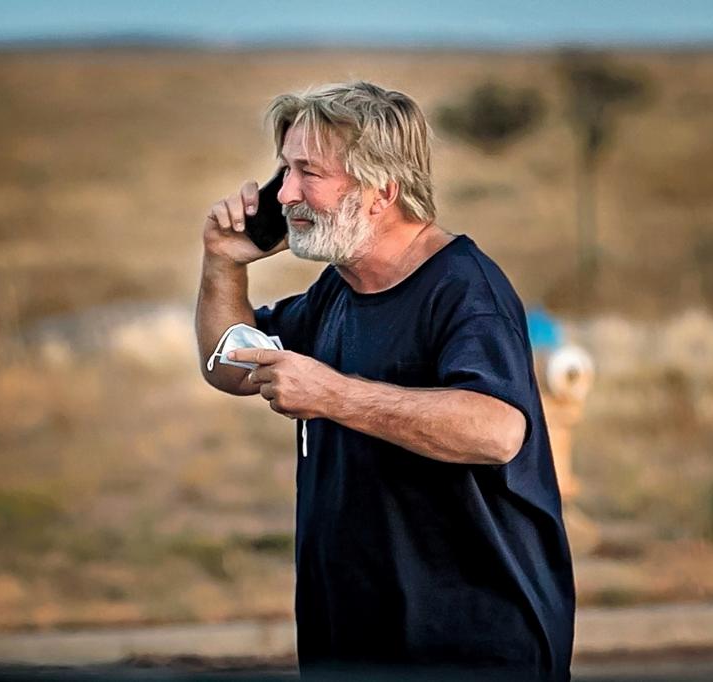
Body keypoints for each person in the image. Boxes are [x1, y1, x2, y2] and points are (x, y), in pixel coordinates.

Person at [194, 81, 575, 680]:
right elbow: (229, 364)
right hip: (350, 638)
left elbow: (497, 431)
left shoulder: (464, 289)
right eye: (283, 171)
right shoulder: (337, 291)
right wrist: (222, 262)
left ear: (381, 191)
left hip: (467, 648)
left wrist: (333, 395)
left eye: (307, 173)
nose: (285, 193)